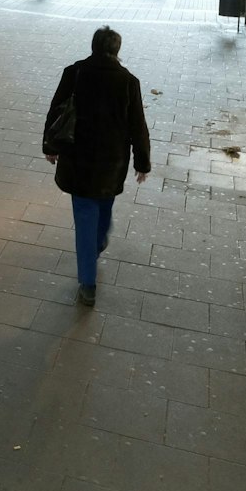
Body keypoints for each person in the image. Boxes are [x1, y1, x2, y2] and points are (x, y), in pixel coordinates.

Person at [43, 26, 151, 307]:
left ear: (92, 47)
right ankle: (99, 243)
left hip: (78, 160)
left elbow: (56, 111)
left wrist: (51, 147)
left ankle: (88, 284)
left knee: (85, 218)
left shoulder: (75, 73)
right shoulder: (128, 81)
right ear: (117, 50)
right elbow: (138, 126)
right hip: (111, 163)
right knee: (104, 206)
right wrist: (142, 162)